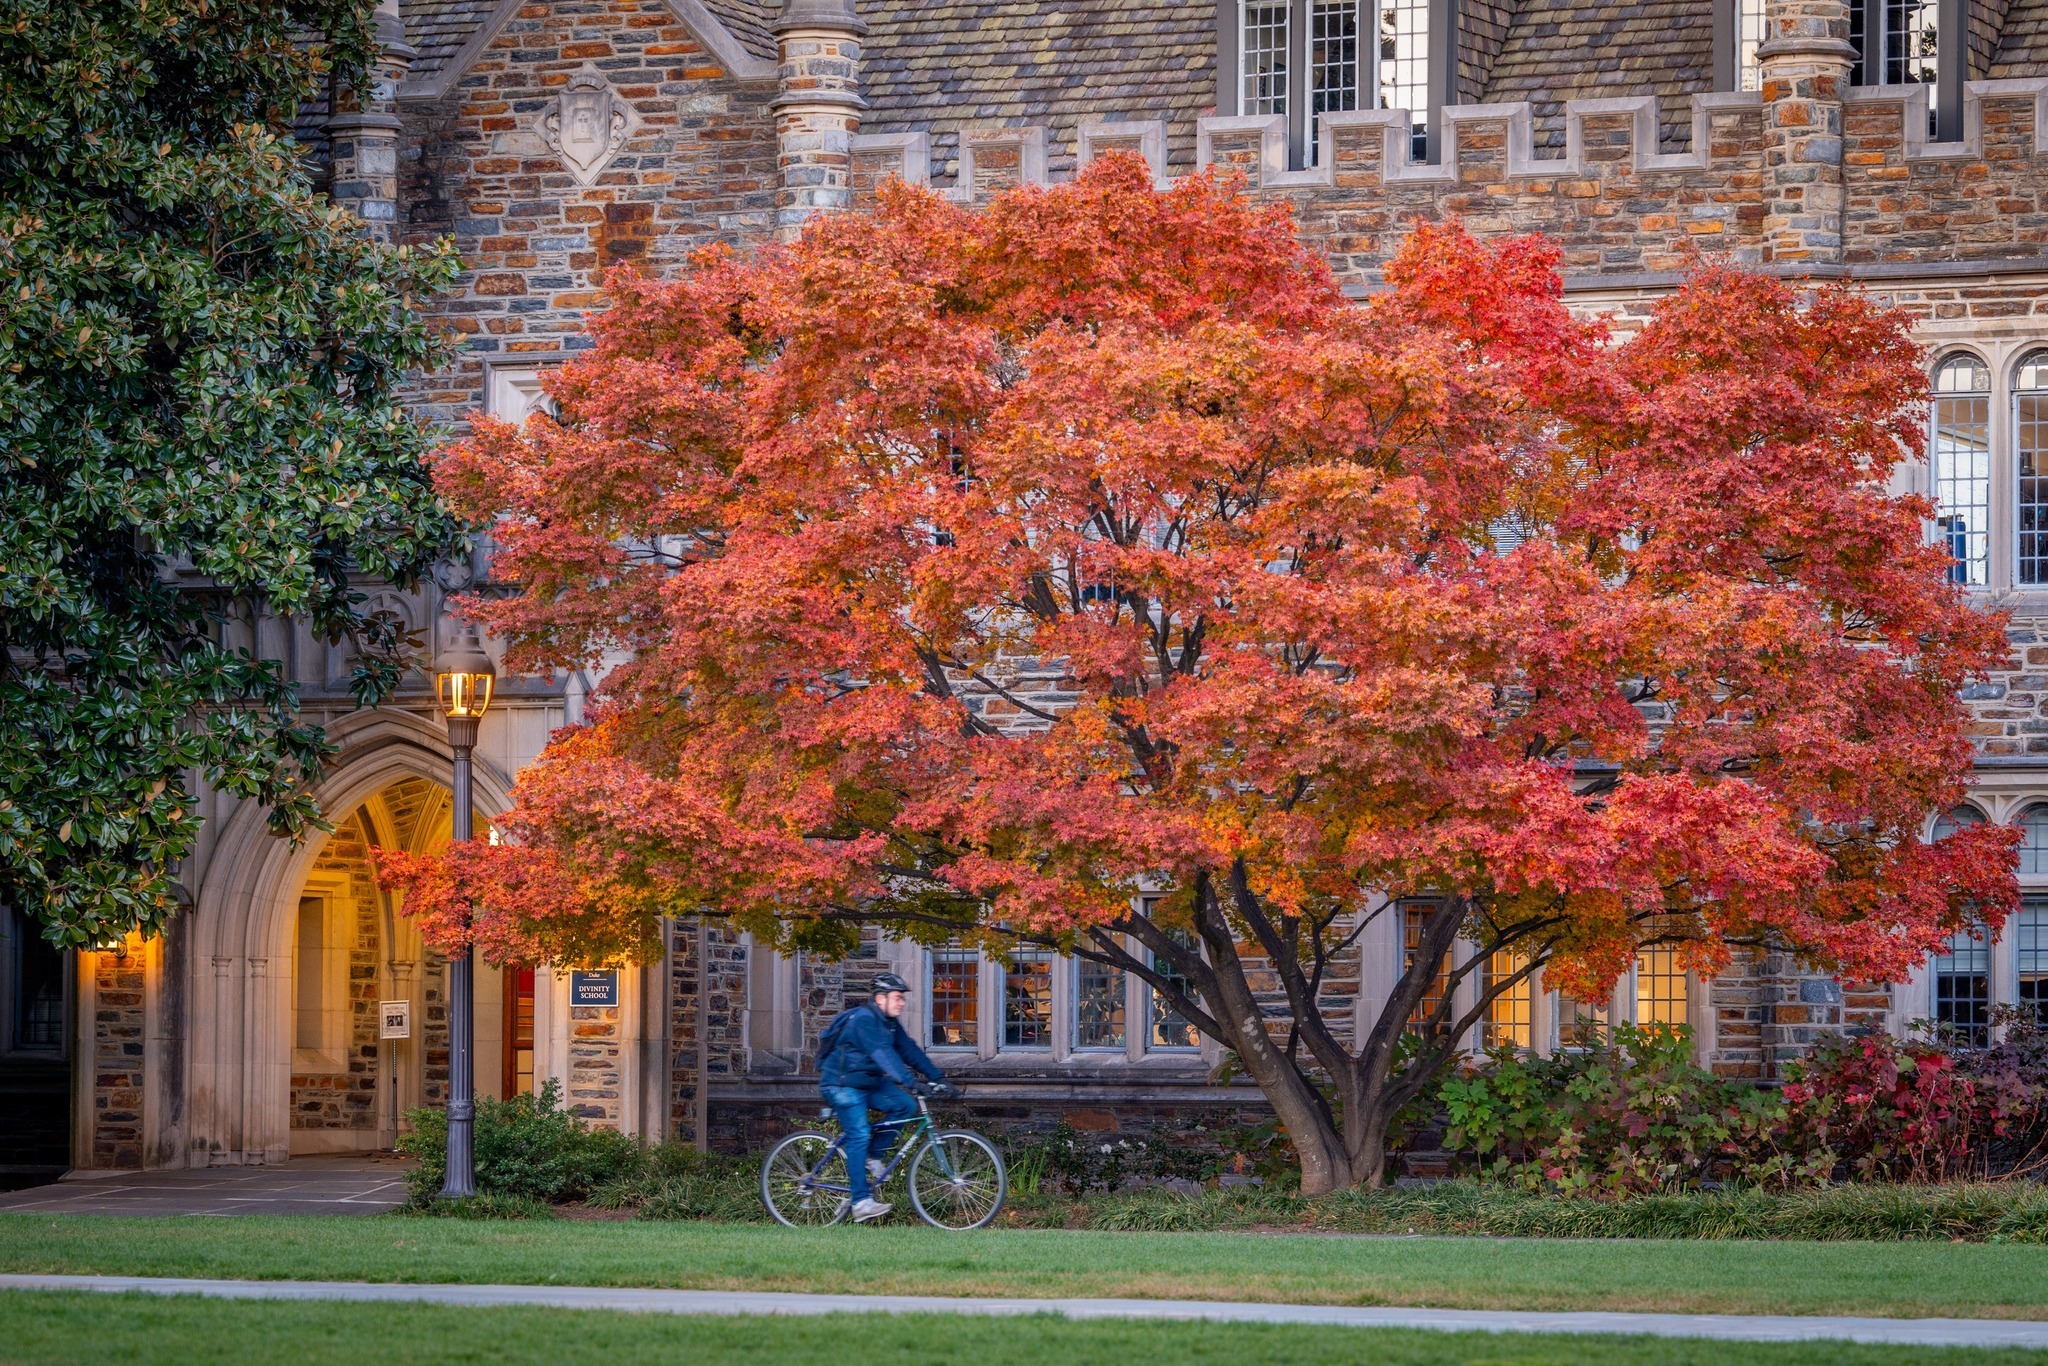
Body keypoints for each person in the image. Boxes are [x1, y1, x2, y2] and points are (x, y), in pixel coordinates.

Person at [817, 971, 952, 1223]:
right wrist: (911, 1082)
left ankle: (872, 1156)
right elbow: (883, 1054)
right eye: (897, 997)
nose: (901, 1003)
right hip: (841, 1083)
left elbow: (908, 1049)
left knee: (904, 1105)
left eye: (902, 998)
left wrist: (937, 1077)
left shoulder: (888, 1022)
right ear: (881, 998)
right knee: (859, 1133)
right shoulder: (864, 1021)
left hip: (868, 1081)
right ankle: (861, 1202)